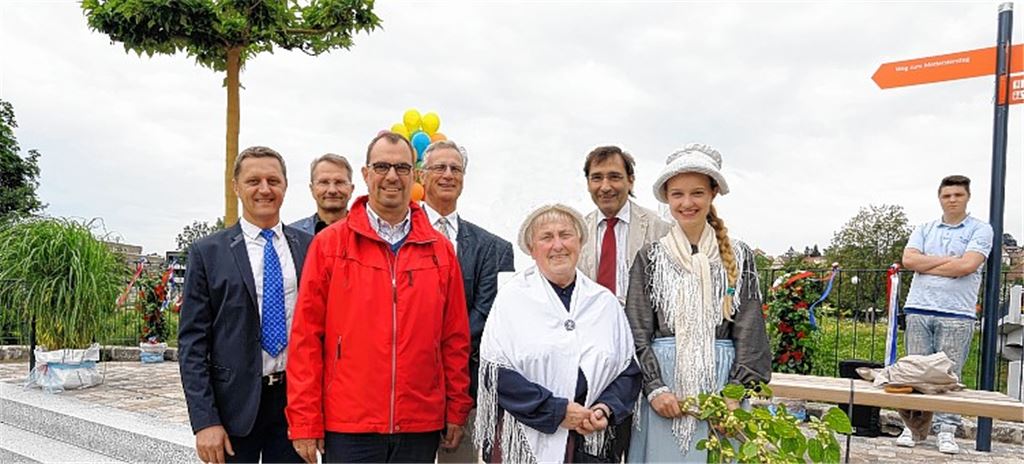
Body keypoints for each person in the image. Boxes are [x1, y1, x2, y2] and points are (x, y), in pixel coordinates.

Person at [285, 132, 473, 464]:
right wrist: (304, 420)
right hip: (349, 425)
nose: (391, 176)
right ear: (366, 173)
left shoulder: (440, 250)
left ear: (414, 176)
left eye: (401, 167)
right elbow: (306, 339)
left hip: (419, 423)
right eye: (382, 166)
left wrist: (457, 407)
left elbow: (454, 338)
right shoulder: (329, 245)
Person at [625, 144, 771, 463]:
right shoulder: (650, 257)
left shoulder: (740, 256)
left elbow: (750, 334)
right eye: (677, 194)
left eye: (697, 193)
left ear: (713, 193)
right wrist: (654, 387)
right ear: (666, 197)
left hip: (722, 385)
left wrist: (734, 394)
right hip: (665, 389)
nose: (687, 203)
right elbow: (636, 329)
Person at [475, 204, 642, 464]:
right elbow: (495, 373)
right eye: (546, 237)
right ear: (532, 250)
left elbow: (628, 371)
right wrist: (557, 410)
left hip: (589, 442)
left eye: (565, 235)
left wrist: (604, 408)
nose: (558, 245)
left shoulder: (603, 302)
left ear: (580, 242)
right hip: (522, 443)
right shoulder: (512, 299)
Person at [179, 146, 313, 464]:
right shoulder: (208, 253)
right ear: (236, 186)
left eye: (273, 180)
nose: (264, 189)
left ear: (285, 186)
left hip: (295, 408)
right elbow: (192, 344)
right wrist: (205, 421)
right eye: (254, 181)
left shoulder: (310, 248)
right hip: (233, 411)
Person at [419, 140, 516, 463]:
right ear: (421, 176)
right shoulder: (396, 236)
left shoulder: (494, 249)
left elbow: (487, 313)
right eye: (439, 168)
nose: (448, 175)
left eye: (455, 169)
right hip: (404, 389)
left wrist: (435, 345)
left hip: (467, 392)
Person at [578, 145, 671, 460]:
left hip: (645, 353)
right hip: (594, 355)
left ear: (631, 180)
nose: (605, 186)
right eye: (597, 177)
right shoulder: (576, 231)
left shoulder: (661, 230)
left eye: (615, 176)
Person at [896, 174, 993, 454]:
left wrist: (929, 265)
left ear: (967, 197)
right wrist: (952, 261)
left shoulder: (980, 230)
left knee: (948, 374)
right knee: (914, 371)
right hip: (918, 307)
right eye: (947, 195)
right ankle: (912, 427)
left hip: (956, 312)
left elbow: (968, 266)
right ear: (940, 198)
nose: (952, 200)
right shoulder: (925, 228)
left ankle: (946, 429)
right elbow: (909, 260)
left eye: (957, 195)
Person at [290, 153, 355, 235]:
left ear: (351, 189)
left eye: (339, 182)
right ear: (312, 189)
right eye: (324, 182)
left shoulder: (372, 231)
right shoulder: (292, 236)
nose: (332, 190)